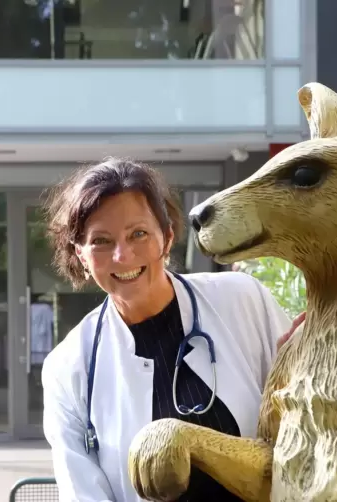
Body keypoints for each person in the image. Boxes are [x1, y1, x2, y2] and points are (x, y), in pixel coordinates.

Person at [40, 157, 305, 502]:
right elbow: (82, 493)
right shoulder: (70, 367)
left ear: (166, 238)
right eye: (101, 241)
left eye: (139, 234)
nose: (123, 255)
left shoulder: (242, 300)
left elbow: (304, 426)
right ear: (81, 256)